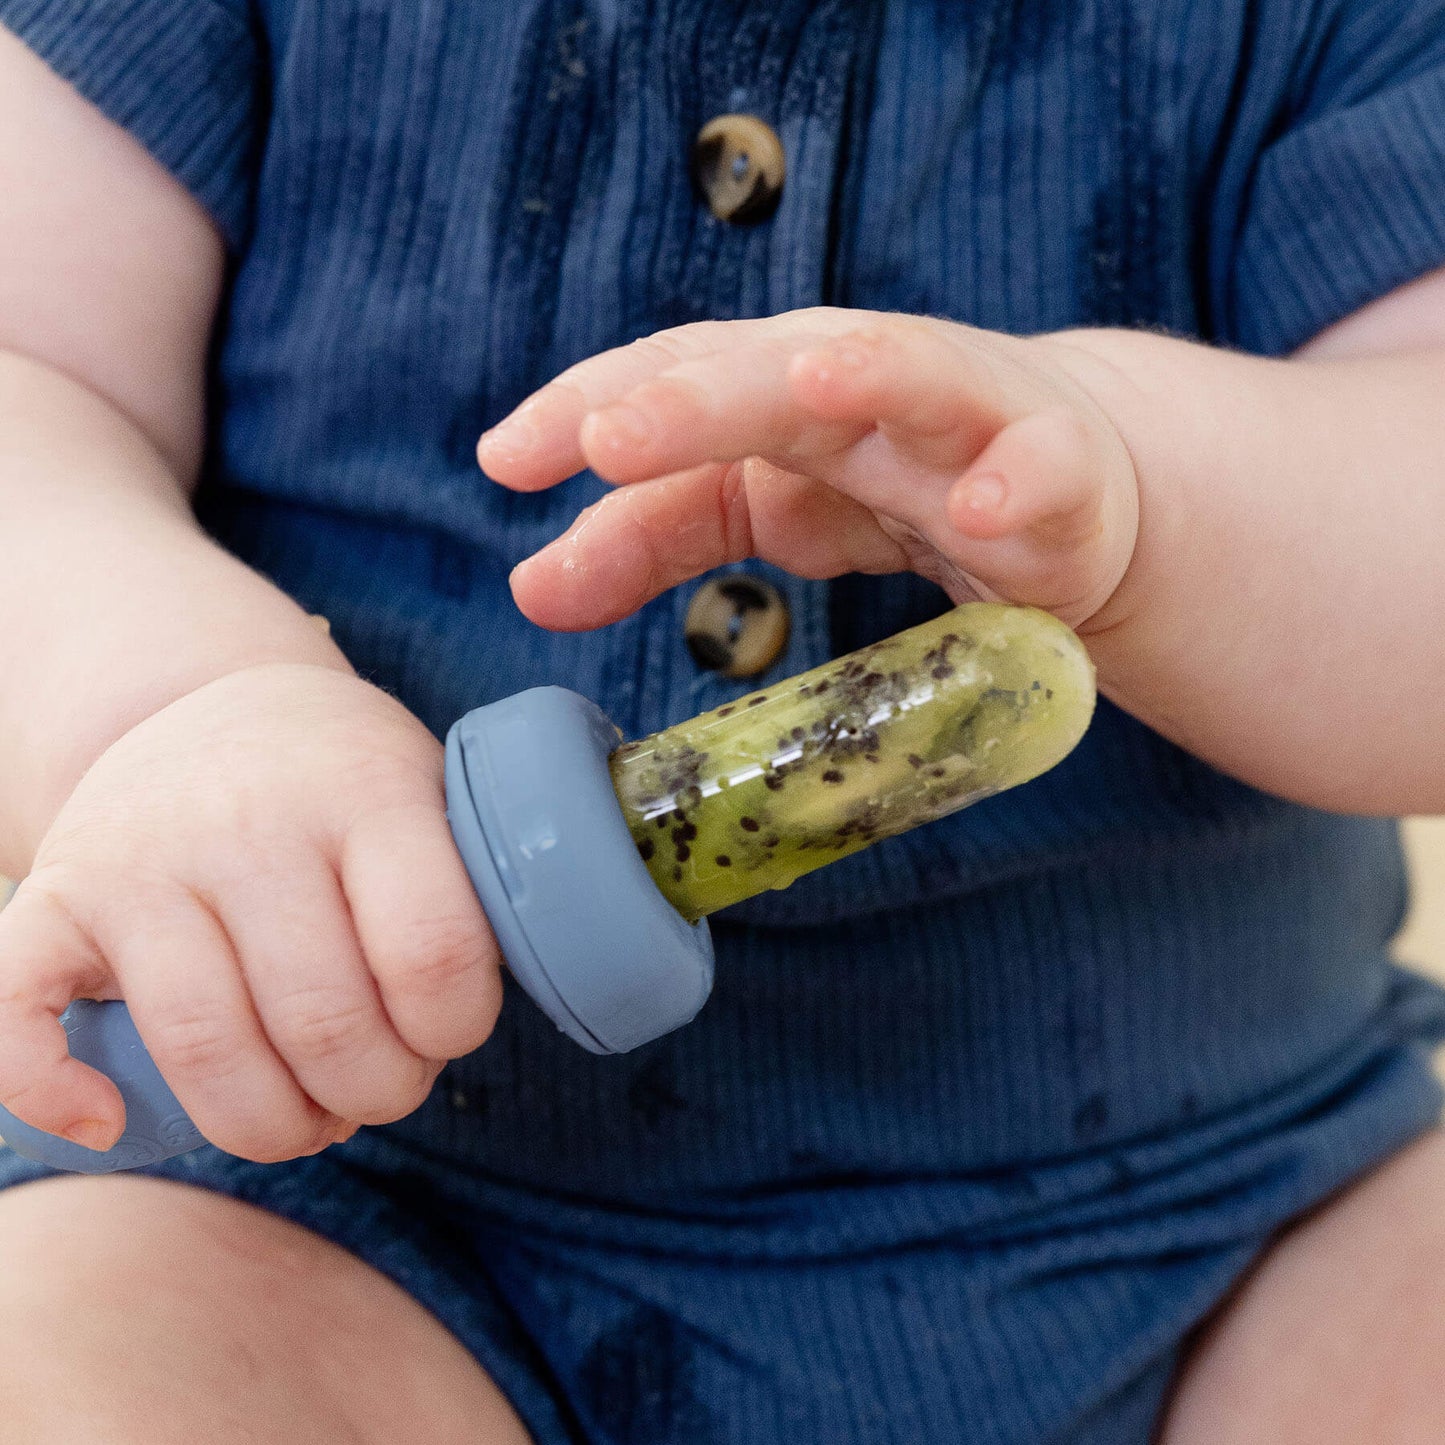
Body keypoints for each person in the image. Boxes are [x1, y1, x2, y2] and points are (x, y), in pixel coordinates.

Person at [1, 1, 1444, 1439]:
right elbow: (31, 377)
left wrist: (1143, 479)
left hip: (1237, 1209)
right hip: (360, 1211)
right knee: (82, 1367)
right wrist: (180, 704)